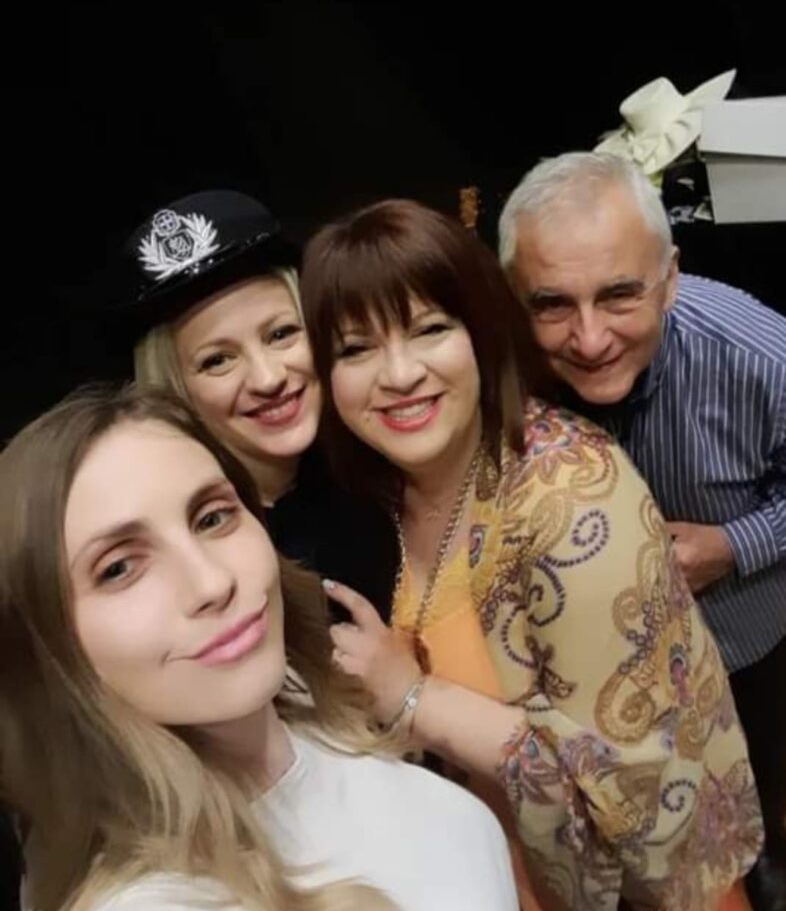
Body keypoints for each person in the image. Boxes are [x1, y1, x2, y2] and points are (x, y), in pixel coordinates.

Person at [299, 197, 763, 911]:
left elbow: (628, 785)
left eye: (429, 329)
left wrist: (415, 700)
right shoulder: (380, 488)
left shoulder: (572, 497)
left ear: (482, 332)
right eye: (356, 349)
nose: (398, 373)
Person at [0, 384, 518, 911]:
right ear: (44, 646)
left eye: (212, 518)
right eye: (119, 568)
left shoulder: (325, 728)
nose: (212, 582)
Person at [498, 152, 786, 909]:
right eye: (552, 305)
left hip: (742, 652)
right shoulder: (488, 376)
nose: (590, 339)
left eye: (620, 294)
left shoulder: (761, 355)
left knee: (752, 820)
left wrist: (734, 545)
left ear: (670, 277)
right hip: (579, 696)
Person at [115, 189, 398, 612]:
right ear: (175, 389)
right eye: (218, 361)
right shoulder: (186, 565)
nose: (269, 379)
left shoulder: (380, 469)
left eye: (281, 334)